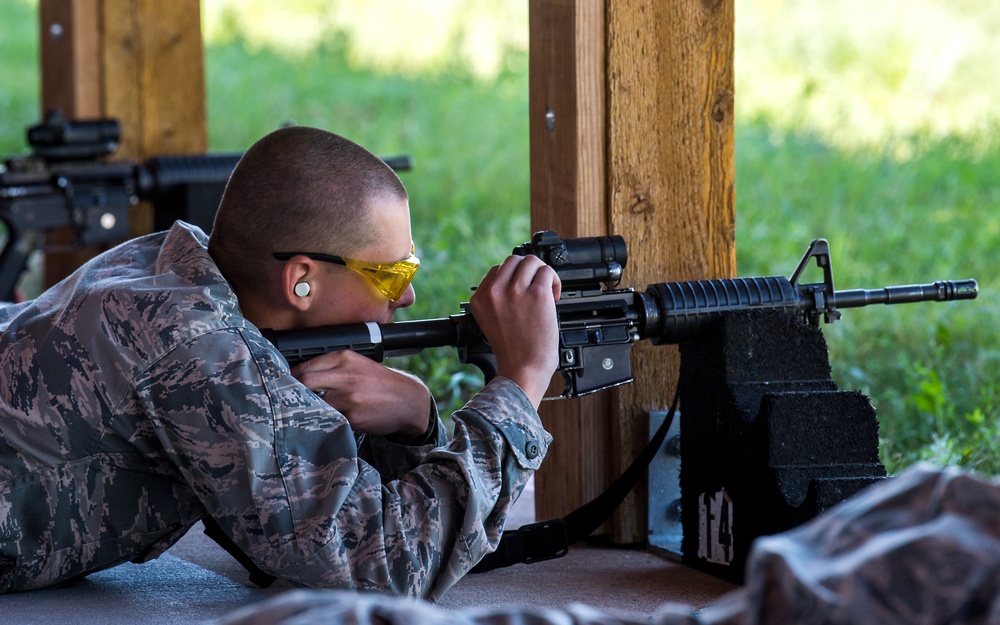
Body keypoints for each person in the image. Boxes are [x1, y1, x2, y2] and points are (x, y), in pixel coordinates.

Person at [0, 126, 561, 600]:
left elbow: (309, 507)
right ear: (301, 280)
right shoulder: (202, 350)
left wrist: (415, 418)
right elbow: (377, 565)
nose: (407, 296)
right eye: (393, 275)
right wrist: (522, 383)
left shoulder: (170, 263)